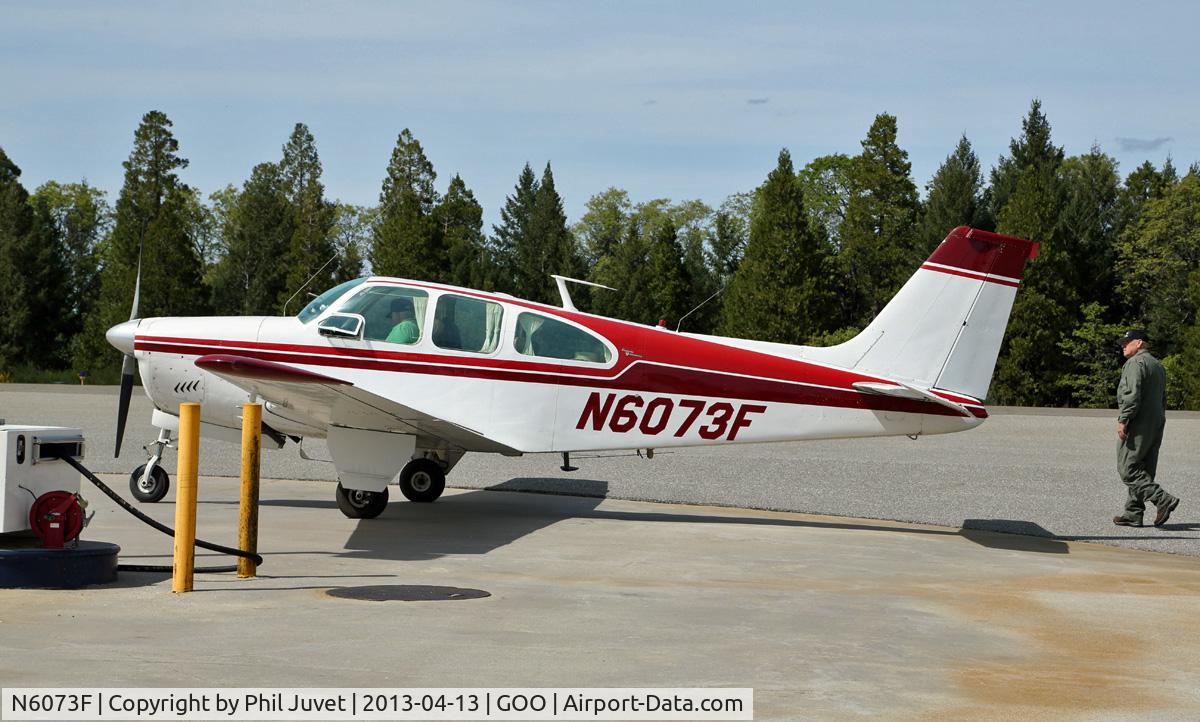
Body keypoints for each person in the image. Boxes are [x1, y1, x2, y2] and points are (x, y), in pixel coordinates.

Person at [1112, 329, 1180, 527]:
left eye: (1127, 342)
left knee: (1128, 468)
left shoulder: (1135, 363)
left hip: (1139, 421)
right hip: (1156, 420)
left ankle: (1162, 499)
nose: (1123, 345)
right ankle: (1134, 512)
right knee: (1144, 467)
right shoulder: (1157, 365)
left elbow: (1132, 395)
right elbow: (1163, 397)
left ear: (1139, 342)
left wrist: (1123, 419)